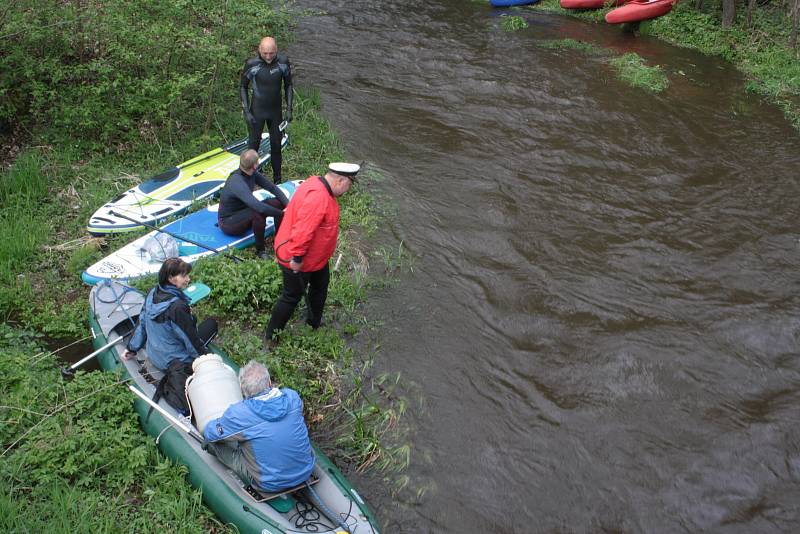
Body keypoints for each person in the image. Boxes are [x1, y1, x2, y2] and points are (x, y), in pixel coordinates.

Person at [264, 162, 359, 343]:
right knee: (291, 297)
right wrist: (297, 257)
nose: (348, 189)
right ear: (340, 180)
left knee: (320, 287)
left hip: (317, 259)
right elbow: (303, 231)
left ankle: (313, 323)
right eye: (350, 184)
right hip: (298, 257)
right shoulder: (319, 198)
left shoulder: (316, 182)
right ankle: (271, 337)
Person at [203, 360, 315, 492]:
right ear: (269, 382)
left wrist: (218, 423)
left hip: (270, 483)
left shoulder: (239, 414)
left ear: (243, 390)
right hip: (306, 471)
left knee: (212, 443)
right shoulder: (292, 397)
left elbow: (210, 433)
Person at [124, 257, 217, 371]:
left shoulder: (152, 292)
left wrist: (131, 348)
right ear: (171, 278)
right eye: (184, 276)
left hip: (155, 357)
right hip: (175, 363)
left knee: (192, 319)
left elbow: (142, 323)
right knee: (211, 324)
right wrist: (205, 362)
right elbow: (191, 342)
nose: (188, 279)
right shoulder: (177, 307)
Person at [218, 149, 289, 259]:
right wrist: (283, 214)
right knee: (258, 212)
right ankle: (260, 251)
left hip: (245, 212)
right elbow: (259, 207)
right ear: (255, 166)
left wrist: (288, 206)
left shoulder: (252, 173)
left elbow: (272, 187)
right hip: (229, 222)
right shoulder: (237, 182)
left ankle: (279, 239)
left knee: (278, 202)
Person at [240, 36, 293, 183]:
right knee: (253, 147)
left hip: (275, 112)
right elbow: (243, 87)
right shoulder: (252, 64)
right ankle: (247, 181)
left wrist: (289, 108)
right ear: (259, 50)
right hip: (257, 111)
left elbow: (288, 85)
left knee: (276, 146)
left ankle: (278, 181)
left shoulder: (283, 62)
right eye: (265, 53)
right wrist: (246, 111)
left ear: (276, 50)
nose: (268, 56)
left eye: (271, 53)